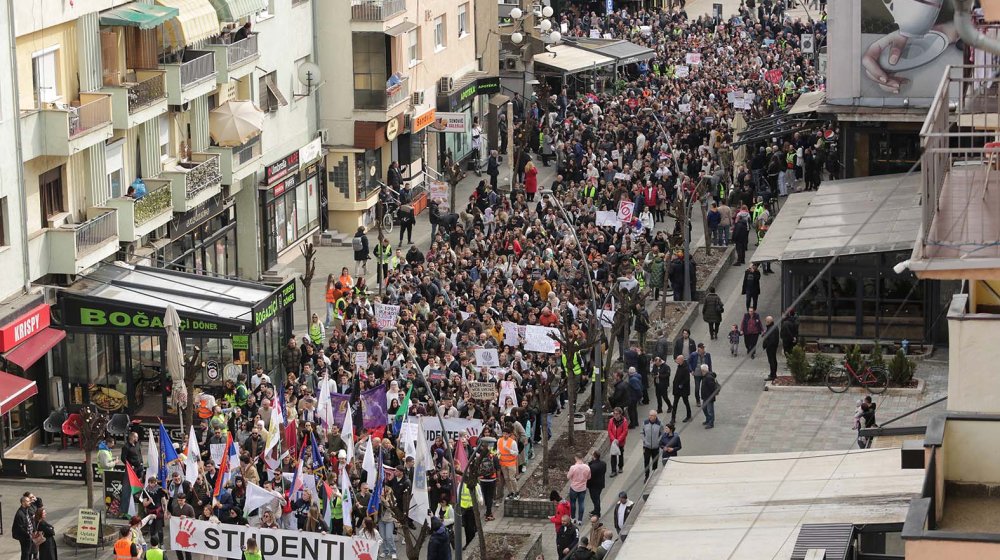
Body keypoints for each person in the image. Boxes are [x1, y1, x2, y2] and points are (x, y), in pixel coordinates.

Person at [566, 453, 591, 526]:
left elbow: (568, 477)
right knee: (581, 503)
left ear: (576, 458)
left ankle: (573, 518)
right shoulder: (587, 467)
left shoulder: (573, 467)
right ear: (582, 458)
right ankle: (580, 520)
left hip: (574, 487)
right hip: (582, 488)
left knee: (573, 503)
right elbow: (589, 477)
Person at [640, 409, 663, 482]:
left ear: (655, 416)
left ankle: (653, 477)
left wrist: (658, 441)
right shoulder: (645, 423)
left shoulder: (660, 424)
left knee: (655, 462)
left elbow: (662, 434)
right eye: (649, 415)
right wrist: (644, 440)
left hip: (655, 447)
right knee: (646, 462)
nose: (650, 417)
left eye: (652, 415)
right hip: (646, 447)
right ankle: (646, 476)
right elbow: (642, 432)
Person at [606, 408, 628, 478]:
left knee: (620, 454)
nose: (615, 415)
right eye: (614, 413)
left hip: (620, 442)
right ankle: (613, 470)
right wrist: (614, 439)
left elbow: (625, 432)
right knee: (613, 456)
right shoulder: (611, 421)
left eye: (617, 413)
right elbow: (609, 431)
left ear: (620, 414)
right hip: (613, 442)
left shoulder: (624, 421)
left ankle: (620, 467)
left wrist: (618, 440)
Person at [671, 355, 692, 424]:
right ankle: (673, 418)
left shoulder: (685, 368)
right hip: (677, 389)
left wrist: (681, 384)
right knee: (675, 404)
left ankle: (689, 416)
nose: (676, 360)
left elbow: (687, 379)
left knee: (686, 402)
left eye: (677, 359)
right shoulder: (679, 366)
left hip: (683, 389)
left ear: (681, 360)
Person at [13, 495, 34, 560]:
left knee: (28, 552)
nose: (29, 502)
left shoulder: (26, 510)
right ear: (23, 503)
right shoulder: (20, 514)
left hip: (29, 536)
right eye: (28, 501)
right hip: (25, 537)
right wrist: (28, 536)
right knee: (26, 553)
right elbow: (20, 528)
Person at [586, 451, 607, 517]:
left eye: (592, 455)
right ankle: (596, 510)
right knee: (597, 498)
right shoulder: (603, 463)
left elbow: (589, 477)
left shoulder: (592, 467)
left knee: (595, 499)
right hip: (600, 484)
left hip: (593, 486)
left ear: (594, 457)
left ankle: (597, 513)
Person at [762, 316, 780, 381]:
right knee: (773, 360)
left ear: (768, 322)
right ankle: (773, 374)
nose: (765, 322)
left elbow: (771, 339)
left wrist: (767, 345)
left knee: (772, 361)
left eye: (766, 321)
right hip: (773, 347)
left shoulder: (772, 328)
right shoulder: (773, 327)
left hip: (771, 347)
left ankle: (773, 375)